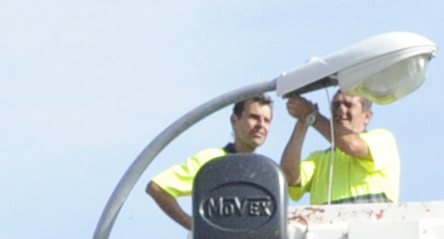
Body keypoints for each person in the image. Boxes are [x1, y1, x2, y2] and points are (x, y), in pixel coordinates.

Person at [146, 95, 274, 230]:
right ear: (235, 120)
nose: (261, 125)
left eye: (267, 120)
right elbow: (157, 187)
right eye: (254, 117)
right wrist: (196, 227)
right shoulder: (212, 162)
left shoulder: (268, 172)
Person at [282, 87, 400, 205]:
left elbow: (352, 146)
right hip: (331, 218)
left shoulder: (383, 139)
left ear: (367, 117)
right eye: (336, 105)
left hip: (372, 218)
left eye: (349, 105)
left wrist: (313, 116)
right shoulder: (318, 160)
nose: (341, 110)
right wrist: (303, 121)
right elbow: (290, 177)